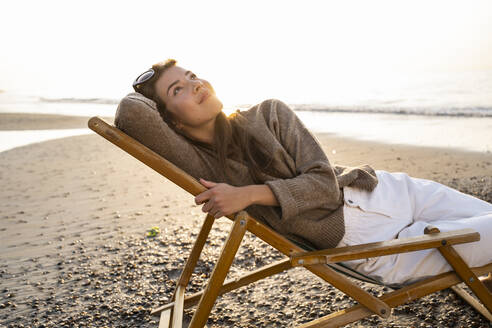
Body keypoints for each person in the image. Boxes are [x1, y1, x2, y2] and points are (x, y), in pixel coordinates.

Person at [115, 59, 492, 287]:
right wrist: (148, 87)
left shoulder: (269, 114)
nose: (197, 83)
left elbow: (324, 186)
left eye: (193, 74)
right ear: (172, 124)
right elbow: (131, 112)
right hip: (379, 247)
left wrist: (249, 194)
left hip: (388, 191)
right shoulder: (204, 166)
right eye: (178, 89)